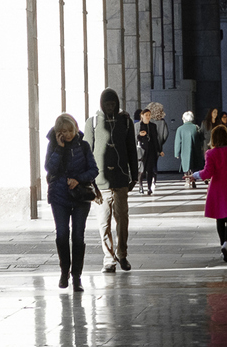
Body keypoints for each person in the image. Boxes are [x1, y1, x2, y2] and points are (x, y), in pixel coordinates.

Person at [84, 88, 138, 273]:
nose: (110, 107)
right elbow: (87, 153)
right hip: (100, 183)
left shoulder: (126, 122)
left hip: (121, 180)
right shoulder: (92, 123)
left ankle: (122, 254)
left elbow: (132, 149)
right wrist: (88, 181)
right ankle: (108, 259)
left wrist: (135, 175)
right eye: (107, 104)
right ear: (102, 104)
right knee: (103, 222)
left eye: (113, 104)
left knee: (122, 219)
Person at [45, 113, 98, 292]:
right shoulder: (53, 145)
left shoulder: (83, 146)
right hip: (59, 196)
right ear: (58, 132)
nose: (67, 134)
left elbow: (93, 170)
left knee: (78, 236)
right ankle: (64, 271)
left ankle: (76, 276)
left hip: (80, 196)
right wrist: (59, 148)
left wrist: (77, 179)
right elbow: (49, 168)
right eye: (63, 131)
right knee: (61, 234)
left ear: (75, 129)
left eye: (70, 130)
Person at [190, 125, 227, 263]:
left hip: (217, 188)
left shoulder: (211, 153)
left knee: (220, 219)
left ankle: (222, 245)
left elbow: (208, 172)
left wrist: (195, 175)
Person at [136, 108, 164, 195]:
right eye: (146, 115)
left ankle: (149, 187)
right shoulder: (138, 126)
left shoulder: (153, 126)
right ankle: (140, 185)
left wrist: (159, 150)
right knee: (142, 170)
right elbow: (136, 138)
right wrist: (140, 135)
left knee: (150, 170)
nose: (148, 117)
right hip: (142, 150)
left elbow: (156, 139)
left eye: (149, 115)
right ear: (142, 116)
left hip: (151, 150)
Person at [174, 111, 204, 188]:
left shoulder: (180, 129)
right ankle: (193, 179)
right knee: (194, 164)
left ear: (183, 119)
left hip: (185, 151)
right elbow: (201, 139)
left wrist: (177, 153)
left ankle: (187, 180)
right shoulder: (196, 127)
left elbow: (178, 142)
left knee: (186, 165)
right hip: (195, 150)